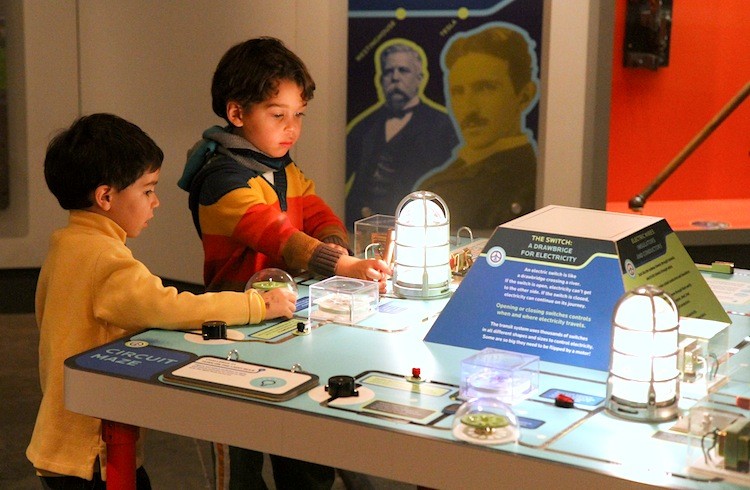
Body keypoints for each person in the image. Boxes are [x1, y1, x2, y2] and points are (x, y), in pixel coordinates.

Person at [26, 113, 296, 490]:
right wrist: (256, 306)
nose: (156, 202)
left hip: (62, 438)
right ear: (105, 197)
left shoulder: (66, 244)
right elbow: (169, 306)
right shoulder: (105, 259)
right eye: (148, 190)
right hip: (93, 452)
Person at [178, 37, 391, 490]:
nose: (291, 127)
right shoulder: (221, 178)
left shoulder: (281, 166)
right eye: (278, 115)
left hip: (282, 317)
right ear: (237, 114)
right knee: (241, 454)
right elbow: (276, 236)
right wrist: (340, 263)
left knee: (304, 446)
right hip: (236, 325)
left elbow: (316, 212)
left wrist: (337, 248)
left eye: (298, 115)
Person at [417, 25, 540, 232]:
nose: (469, 108)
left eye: (485, 88)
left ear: (525, 95)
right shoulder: (436, 186)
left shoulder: (533, 182)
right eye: (458, 92)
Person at [345, 39, 459, 224]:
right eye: (388, 71)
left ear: (419, 78)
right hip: (361, 228)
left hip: (421, 226)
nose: (395, 77)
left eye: (403, 70)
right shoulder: (363, 127)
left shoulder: (443, 125)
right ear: (381, 80)